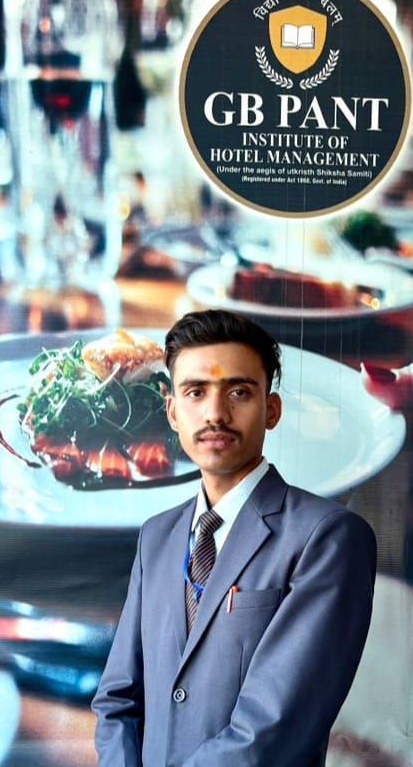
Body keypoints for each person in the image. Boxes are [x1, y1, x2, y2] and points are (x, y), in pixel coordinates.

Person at [92, 309, 377, 767]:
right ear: (172, 411)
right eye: (195, 392)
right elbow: (118, 700)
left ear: (272, 410)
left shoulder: (327, 537)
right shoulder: (157, 537)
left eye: (239, 392)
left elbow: (274, 727)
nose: (215, 414)